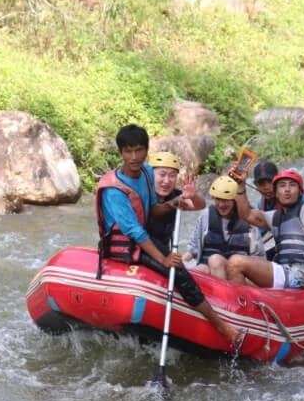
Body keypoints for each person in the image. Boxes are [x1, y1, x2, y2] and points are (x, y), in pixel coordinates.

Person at [96, 125, 241, 347]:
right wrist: (163, 259)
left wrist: (174, 203)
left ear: (146, 151)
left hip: (142, 241)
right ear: (120, 153)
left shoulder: (145, 173)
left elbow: (153, 209)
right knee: (178, 270)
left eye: (139, 150)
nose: (134, 157)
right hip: (126, 246)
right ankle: (221, 327)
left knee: (174, 262)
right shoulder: (114, 190)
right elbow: (134, 231)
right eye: (128, 151)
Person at [226, 141, 304, 289]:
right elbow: (246, 214)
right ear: (276, 192)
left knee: (236, 263)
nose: (287, 190)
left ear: (300, 191)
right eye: (282, 186)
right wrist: (239, 185)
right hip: (283, 271)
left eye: (292, 185)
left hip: (298, 277)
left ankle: (240, 306)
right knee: (237, 273)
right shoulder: (274, 216)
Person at [183, 176, 263, 280]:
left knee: (215, 260)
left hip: (235, 275)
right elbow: (193, 249)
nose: (221, 204)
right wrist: (179, 263)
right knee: (201, 269)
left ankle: (225, 294)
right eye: (218, 199)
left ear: (235, 200)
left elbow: (259, 257)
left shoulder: (248, 219)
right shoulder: (206, 215)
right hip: (208, 270)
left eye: (226, 200)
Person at [145, 151, 204, 254]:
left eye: (172, 176)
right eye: (162, 175)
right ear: (150, 176)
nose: (167, 181)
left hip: (163, 250)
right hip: (144, 248)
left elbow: (200, 206)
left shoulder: (176, 195)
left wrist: (193, 196)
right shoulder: (141, 194)